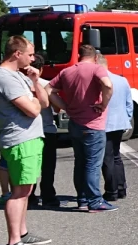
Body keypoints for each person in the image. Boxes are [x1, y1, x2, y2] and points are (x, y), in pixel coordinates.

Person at [0, 35, 53, 245]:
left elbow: (44, 104)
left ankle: (22, 233)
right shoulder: (4, 77)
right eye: (30, 54)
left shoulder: (21, 75)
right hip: (20, 140)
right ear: (17, 54)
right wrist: (35, 101)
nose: (33, 58)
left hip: (31, 138)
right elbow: (33, 109)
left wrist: (35, 82)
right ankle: (13, 243)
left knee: (26, 190)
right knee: (19, 192)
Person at [48, 43, 115, 212]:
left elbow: (48, 90)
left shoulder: (67, 71)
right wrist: (103, 104)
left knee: (80, 163)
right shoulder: (96, 69)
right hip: (93, 125)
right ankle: (95, 201)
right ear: (95, 57)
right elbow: (107, 85)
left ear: (79, 56)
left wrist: (65, 107)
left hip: (75, 124)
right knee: (93, 164)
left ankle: (82, 199)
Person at [28, 53, 62, 209]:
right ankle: (48, 196)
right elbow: (57, 107)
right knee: (48, 167)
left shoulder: (19, 84)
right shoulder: (45, 84)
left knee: (31, 166)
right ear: (41, 69)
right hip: (47, 129)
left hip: (28, 131)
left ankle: (29, 196)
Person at [99, 54, 132, 201]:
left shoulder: (99, 81)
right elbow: (129, 103)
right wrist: (127, 118)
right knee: (116, 156)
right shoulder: (122, 80)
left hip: (105, 124)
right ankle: (121, 188)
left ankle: (111, 191)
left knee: (107, 159)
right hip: (120, 123)